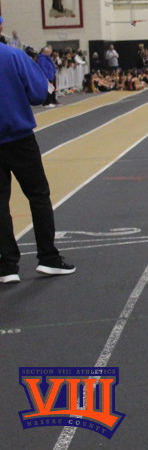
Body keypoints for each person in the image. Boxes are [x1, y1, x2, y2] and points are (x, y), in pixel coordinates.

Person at [0, 42, 76, 283]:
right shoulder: (14, 56)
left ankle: (6, 265)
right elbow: (39, 93)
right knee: (38, 196)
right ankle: (48, 257)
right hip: (19, 136)